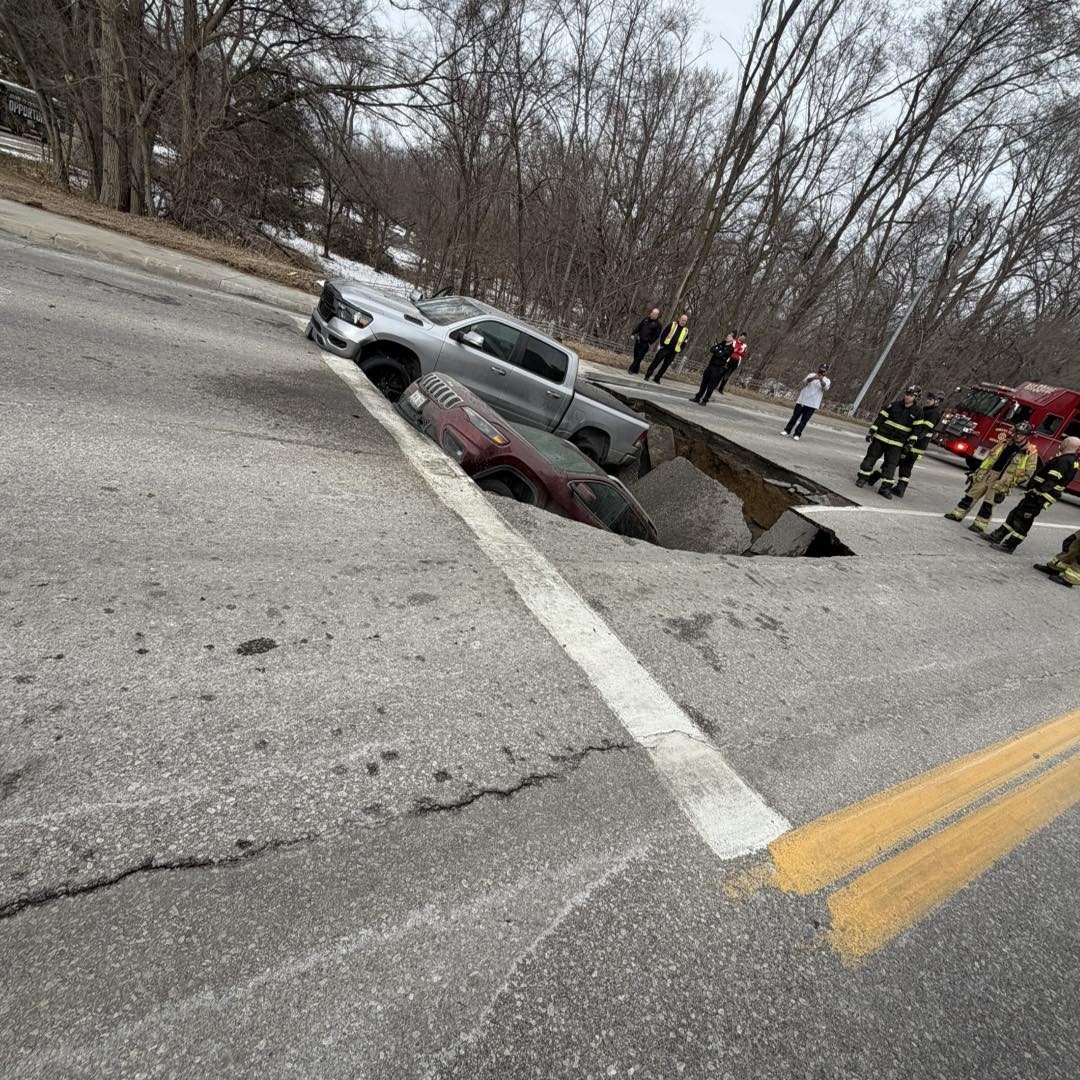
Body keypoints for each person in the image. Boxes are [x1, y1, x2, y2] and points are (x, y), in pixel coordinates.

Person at [980, 436, 1080, 553]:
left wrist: (1036, 492)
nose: (1061, 444)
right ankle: (997, 536)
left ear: (1067, 444)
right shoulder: (1069, 460)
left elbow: (1051, 480)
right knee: (1015, 514)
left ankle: (1009, 546)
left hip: (1038, 497)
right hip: (1036, 496)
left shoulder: (1064, 461)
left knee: (1023, 521)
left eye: (1063, 442)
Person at [943, 422, 1038, 531]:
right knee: (971, 495)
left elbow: (1028, 473)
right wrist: (979, 471)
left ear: (1027, 436)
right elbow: (990, 457)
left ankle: (979, 525)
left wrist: (1011, 482)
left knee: (989, 503)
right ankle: (957, 514)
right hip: (988, 473)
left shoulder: (1030, 452)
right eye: (1016, 432)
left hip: (1002, 481)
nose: (1017, 435)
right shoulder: (1005, 442)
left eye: (1021, 434)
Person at [855, 385, 921, 498]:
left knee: (890, 465)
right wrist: (872, 431)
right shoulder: (893, 405)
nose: (907, 397)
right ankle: (862, 478)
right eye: (907, 394)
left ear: (916, 397)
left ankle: (885, 488)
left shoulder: (918, 412)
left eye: (911, 395)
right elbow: (880, 418)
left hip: (897, 444)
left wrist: (910, 443)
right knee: (870, 458)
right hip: (880, 438)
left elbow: (916, 430)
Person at [893, 389, 944, 498]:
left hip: (916, 446)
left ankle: (897, 487)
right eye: (928, 398)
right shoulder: (928, 410)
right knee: (900, 464)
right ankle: (899, 488)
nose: (927, 400)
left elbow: (924, 430)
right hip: (915, 445)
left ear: (937, 401)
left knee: (900, 464)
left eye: (930, 399)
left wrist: (911, 442)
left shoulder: (933, 413)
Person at [781, 364, 831, 441]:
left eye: (824, 369)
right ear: (819, 368)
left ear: (826, 371)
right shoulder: (811, 375)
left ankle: (797, 434)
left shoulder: (827, 380)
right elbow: (805, 381)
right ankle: (787, 430)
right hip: (802, 400)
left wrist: (821, 380)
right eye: (821, 368)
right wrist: (814, 378)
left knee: (804, 420)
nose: (822, 370)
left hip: (813, 404)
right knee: (795, 417)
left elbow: (826, 388)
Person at [691, 333, 734, 405]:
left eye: (729, 337)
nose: (727, 337)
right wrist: (718, 350)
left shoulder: (730, 348)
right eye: (727, 336)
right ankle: (698, 397)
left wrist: (718, 350)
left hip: (718, 368)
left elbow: (721, 355)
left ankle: (705, 400)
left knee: (711, 385)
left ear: (732, 339)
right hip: (711, 365)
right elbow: (712, 349)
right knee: (704, 382)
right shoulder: (722, 343)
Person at [645, 313, 689, 383]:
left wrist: (680, 349)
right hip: (665, 347)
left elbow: (685, 342)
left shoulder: (686, 331)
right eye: (682, 320)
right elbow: (664, 333)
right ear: (679, 319)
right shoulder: (673, 324)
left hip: (673, 351)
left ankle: (657, 378)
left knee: (665, 366)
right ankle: (648, 375)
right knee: (656, 361)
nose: (683, 322)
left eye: (685, 321)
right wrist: (662, 343)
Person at [627, 307, 662, 374]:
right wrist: (633, 333)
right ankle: (636, 370)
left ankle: (631, 369)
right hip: (639, 340)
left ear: (657, 315)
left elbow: (656, 335)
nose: (652, 315)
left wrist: (650, 342)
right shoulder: (646, 319)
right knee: (636, 355)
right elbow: (639, 326)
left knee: (640, 356)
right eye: (652, 313)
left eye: (655, 314)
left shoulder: (658, 324)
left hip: (646, 343)